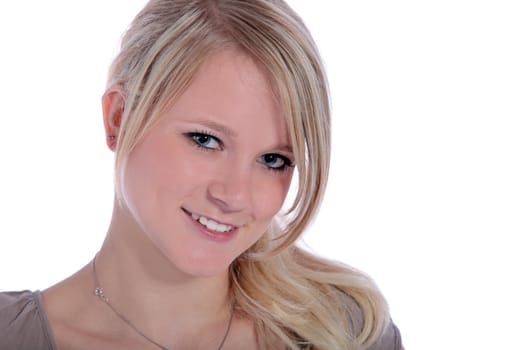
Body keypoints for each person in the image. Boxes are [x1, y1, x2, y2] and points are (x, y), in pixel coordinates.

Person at [0, 0, 403, 349]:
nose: (236, 196)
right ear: (119, 118)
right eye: (206, 140)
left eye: (273, 160)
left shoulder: (347, 334)